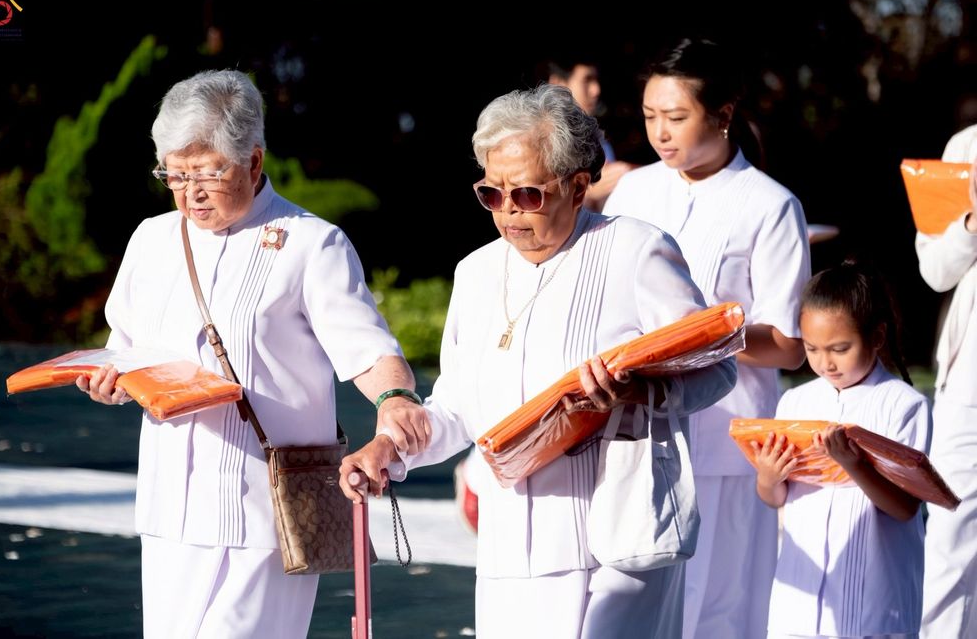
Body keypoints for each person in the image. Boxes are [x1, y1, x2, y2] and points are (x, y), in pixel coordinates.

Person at [340, 84, 737, 638]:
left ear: (578, 186)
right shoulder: (475, 274)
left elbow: (718, 368)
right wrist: (391, 447)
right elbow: (458, 408)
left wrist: (638, 393)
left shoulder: (636, 250)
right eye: (491, 194)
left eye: (526, 194)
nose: (507, 213)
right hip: (510, 548)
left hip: (618, 538)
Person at [74, 70, 431, 638]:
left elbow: (368, 351)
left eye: (207, 173)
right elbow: (125, 349)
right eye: (174, 173)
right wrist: (109, 380)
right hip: (171, 508)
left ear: (254, 161)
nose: (189, 191)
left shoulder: (312, 243)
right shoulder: (151, 238)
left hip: (267, 510)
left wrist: (394, 399)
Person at [602, 37, 811, 639]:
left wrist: (706, 331)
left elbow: (789, 343)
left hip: (726, 435)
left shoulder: (771, 206)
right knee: (635, 599)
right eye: (649, 118)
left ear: (722, 114)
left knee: (718, 605)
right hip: (634, 427)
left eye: (675, 117)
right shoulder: (636, 190)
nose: (660, 133)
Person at [751, 261, 929, 639]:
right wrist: (769, 477)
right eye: (812, 348)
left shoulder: (903, 405)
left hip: (873, 600)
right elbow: (774, 498)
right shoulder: (794, 402)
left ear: (877, 336)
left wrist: (854, 465)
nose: (825, 362)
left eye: (840, 348)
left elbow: (906, 507)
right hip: (799, 600)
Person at [917, 142, 977, 638]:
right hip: (968, 385)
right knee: (950, 542)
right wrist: (972, 224)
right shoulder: (965, 146)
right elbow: (935, 271)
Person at [544, 55, 636, 211]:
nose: (596, 90)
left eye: (595, 80)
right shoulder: (539, 142)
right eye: (587, 80)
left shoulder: (599, 140)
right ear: (558, 84)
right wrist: (586, 191)